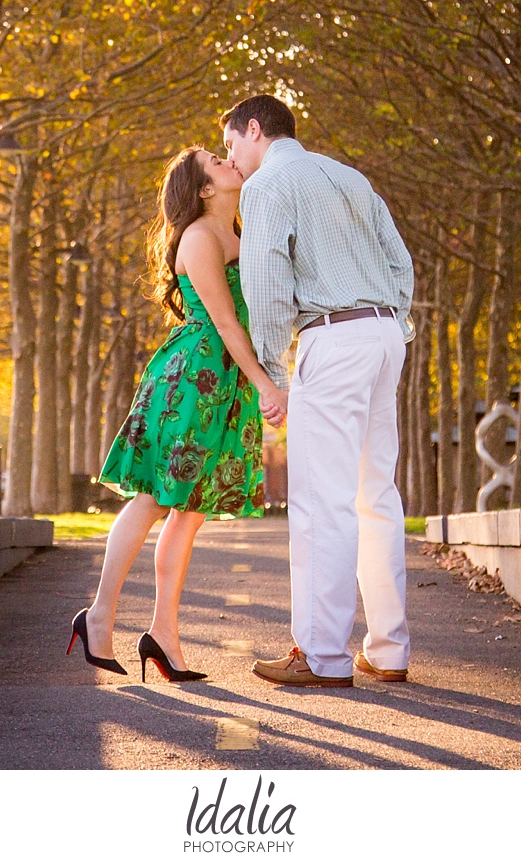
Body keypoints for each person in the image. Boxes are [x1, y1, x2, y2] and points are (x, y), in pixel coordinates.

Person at [67, 145, 287, 684]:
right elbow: (227, 324)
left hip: (222, 381)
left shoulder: (237, 232)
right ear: (205, 188)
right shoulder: (200, 237)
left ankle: (163, 634)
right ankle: (99, 616)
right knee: (154, 499)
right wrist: (265, 384)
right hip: (195, 377)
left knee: (190, 510)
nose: (229, 159)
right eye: (216, 160)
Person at [222, 94, 414, 689]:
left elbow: (267, 286)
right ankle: (388, 650)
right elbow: (400, 263)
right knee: (375, 495)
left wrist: (274, 378)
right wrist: (393, 326)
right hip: (384, 334)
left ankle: (322, 655)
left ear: (255, 130)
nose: (231, 158)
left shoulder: (267, 187)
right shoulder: (350, 177)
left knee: (319, 503)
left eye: (230, 144)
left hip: (330, 338)